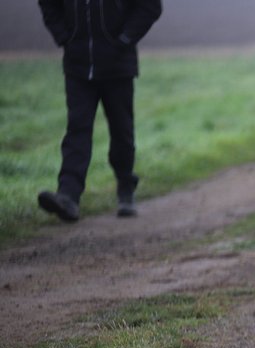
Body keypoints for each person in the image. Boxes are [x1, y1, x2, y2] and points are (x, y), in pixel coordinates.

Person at [37, 0, 162, 222]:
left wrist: (124, 40)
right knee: (77, 129)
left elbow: (151, 6)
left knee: (122, 131)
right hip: (78, 66)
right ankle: (68, 196)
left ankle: (125, 188)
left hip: (118, 66)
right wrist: (64, 37)